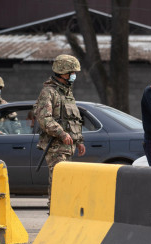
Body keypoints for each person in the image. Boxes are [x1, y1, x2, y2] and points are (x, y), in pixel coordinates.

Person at [33, 54, 86, 208]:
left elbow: (74, 120)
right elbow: (44, 119)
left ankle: (63, 213)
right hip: (55, 147)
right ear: (62, 72)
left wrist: (79, 141)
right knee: (58, 182)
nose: (74, 76)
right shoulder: (49, 92)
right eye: (72, 72)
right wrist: (61, 133)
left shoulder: (67, 93)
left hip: (68, 148)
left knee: (66, 184)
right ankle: (55, 213)